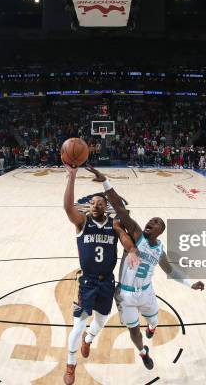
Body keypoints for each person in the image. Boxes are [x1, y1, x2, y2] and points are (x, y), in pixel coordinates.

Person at [86, 166, 205, 370]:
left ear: (160, 231)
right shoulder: (137, 235)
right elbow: (120, 209)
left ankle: (152, 327)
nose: (151, 222)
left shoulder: (159, 250)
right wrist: (106, 182)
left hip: (147, 293)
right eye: (151, 220)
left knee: (153, 322)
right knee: (134, 331)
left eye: (156, 222)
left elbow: (171, 272)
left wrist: (191, 283)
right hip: (126, 295)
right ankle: (143, 353)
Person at [62, 164, 140, 385]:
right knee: (78, 325)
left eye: (100, 203)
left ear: (106, 207)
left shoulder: (113, 224)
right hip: (87, 282)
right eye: (93, 202)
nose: (96, 204)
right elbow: (68, 207)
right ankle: (70, 363)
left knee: (102, 321)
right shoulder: (82, 222)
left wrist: (132, 249)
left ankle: (89, 340)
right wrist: (72, 176)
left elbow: (124, 238)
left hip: (108, 282)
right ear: (89, 206)